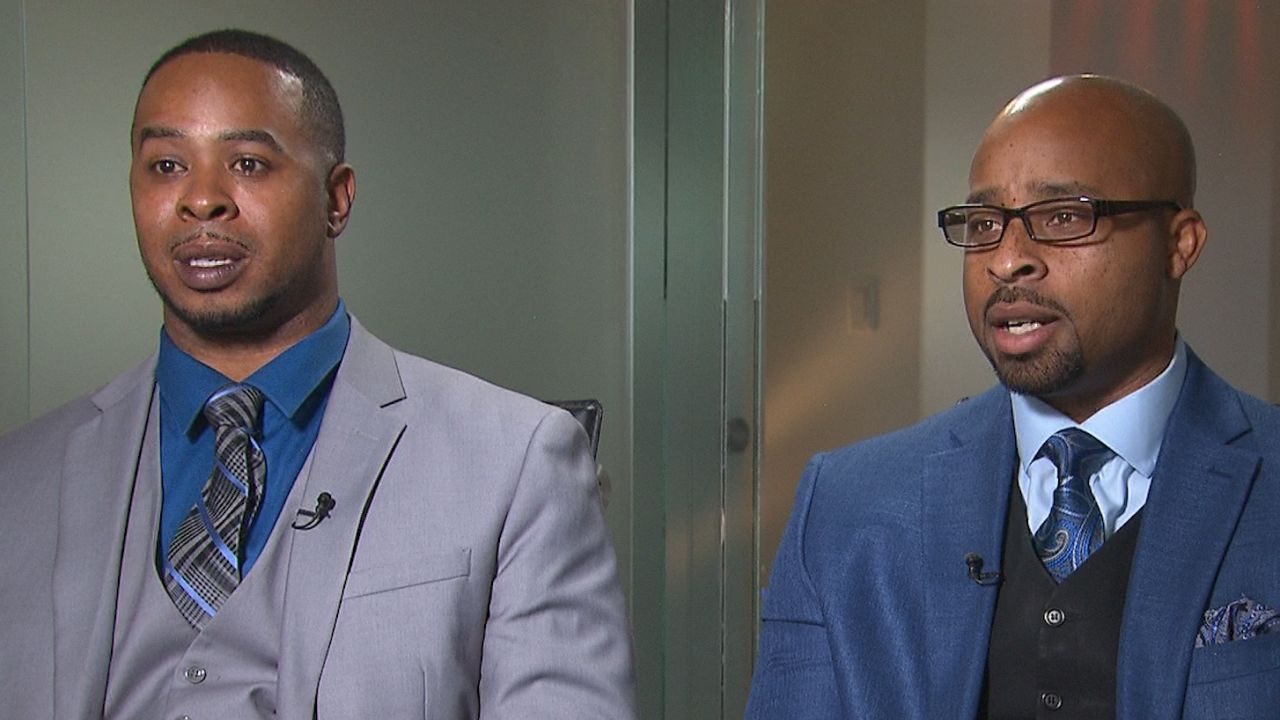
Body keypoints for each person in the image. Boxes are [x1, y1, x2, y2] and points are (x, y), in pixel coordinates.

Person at [0, 29, 636, 719]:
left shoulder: (513, 461)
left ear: (337, 199)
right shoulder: (22, 480)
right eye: (165, 166)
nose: (202, 200)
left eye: (246, 163)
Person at [745, 74, 1280, 719]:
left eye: (1064, 217)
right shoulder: (845, 507)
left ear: (1179, 244)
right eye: (984, 223)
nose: (1007, 260)